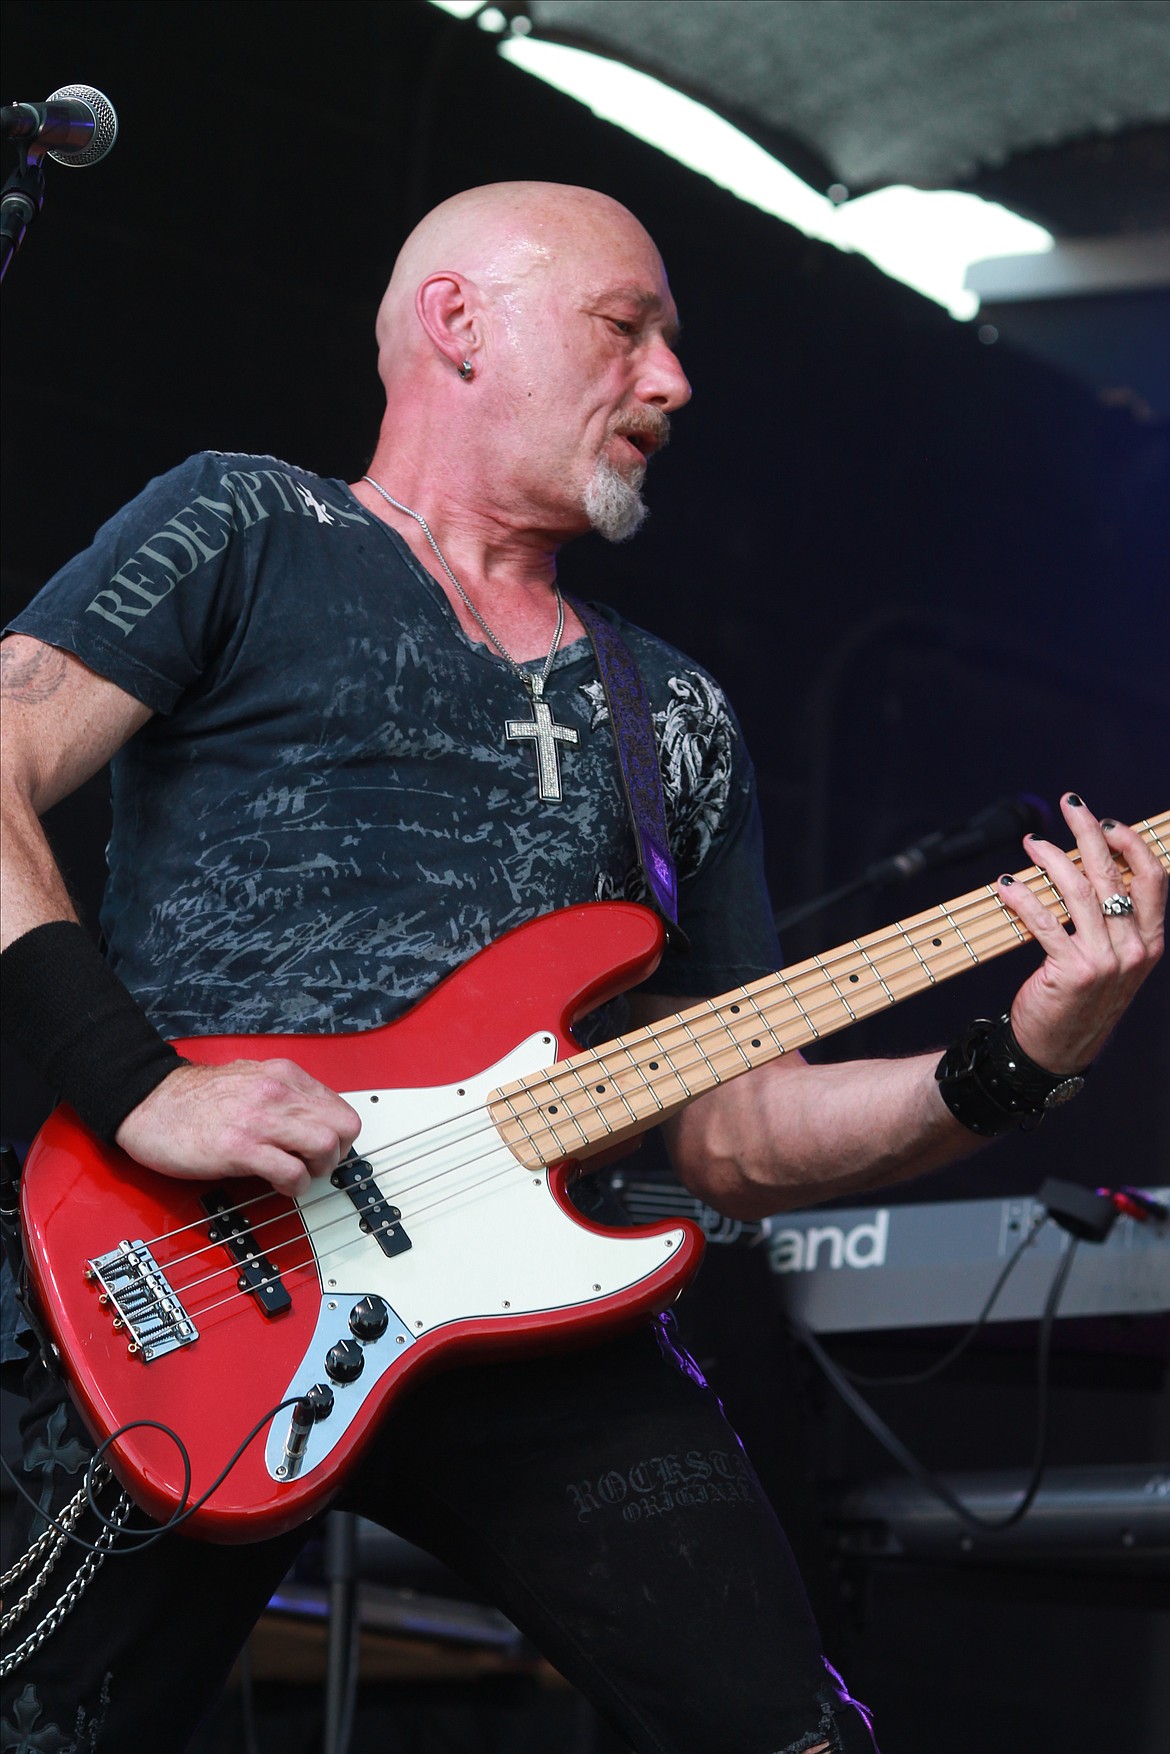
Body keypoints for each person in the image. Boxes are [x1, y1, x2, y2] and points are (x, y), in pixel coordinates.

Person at [0, 181, 1163, 1753]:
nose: (672, 383)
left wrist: (1016, 1057)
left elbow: (739, 1131)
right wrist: (138, 1088)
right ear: (458, 323)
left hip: (533, 1320)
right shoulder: (246, 527)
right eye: (629, 328)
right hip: (190, 1273)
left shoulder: (669, 714)